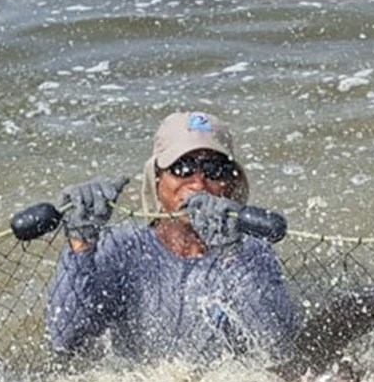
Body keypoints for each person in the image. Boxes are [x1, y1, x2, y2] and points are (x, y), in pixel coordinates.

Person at [44, 108, 299, 365]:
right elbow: (64, 339)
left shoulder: (250, 252)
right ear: (157, 180)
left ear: (230, 184)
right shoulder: (124, 248)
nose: (198, 184)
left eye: (214, 170)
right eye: (182, 168)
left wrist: (231, 255)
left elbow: (279, 349)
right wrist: (80, 245)